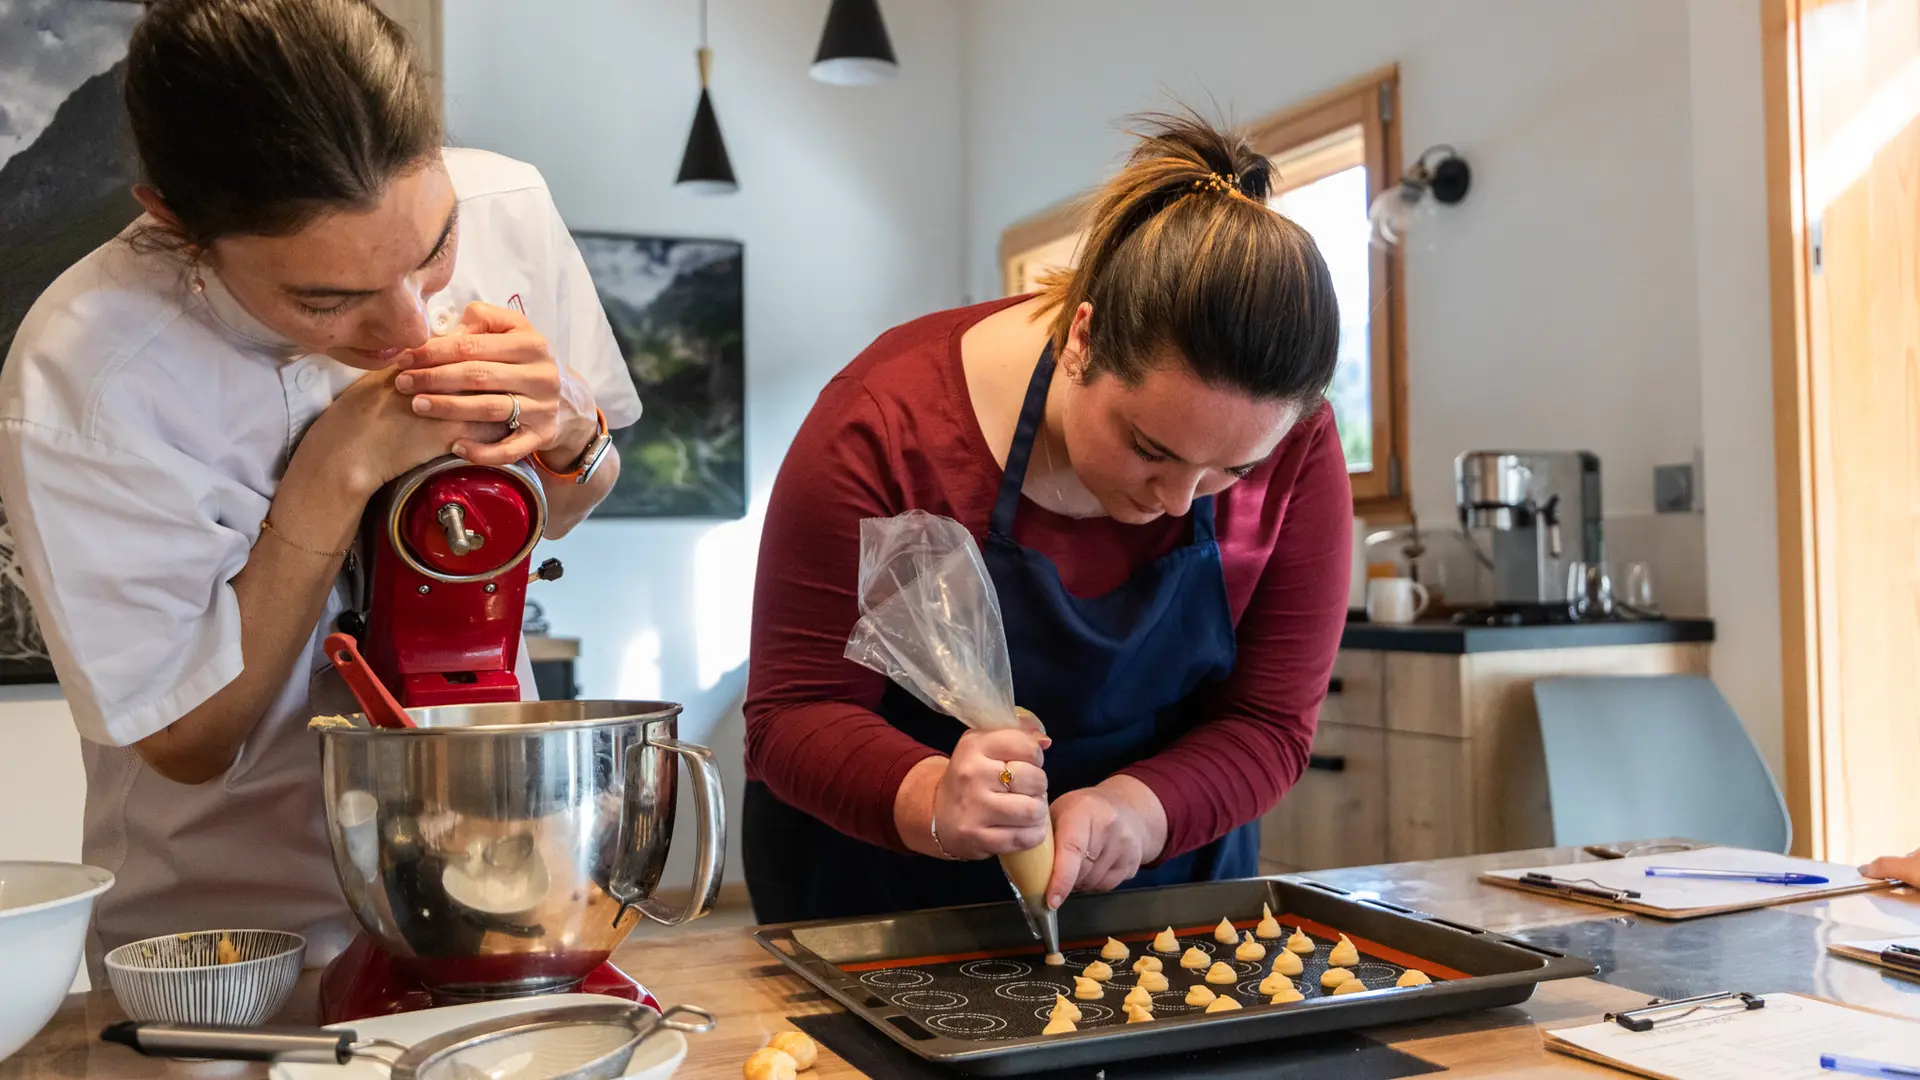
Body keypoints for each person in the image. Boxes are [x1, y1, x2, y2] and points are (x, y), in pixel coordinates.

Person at [0, 0, 639, 974]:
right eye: (325, 300)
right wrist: (333, 474)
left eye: (434, 252)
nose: (412, 330)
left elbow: (558, 509)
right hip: (239, 940)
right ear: (174, 222)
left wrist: (569, 432)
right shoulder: (86, 375)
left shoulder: (511, 204)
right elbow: (190, 743)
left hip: (496, 874)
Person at [742, 114, 1351, 922]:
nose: (1175, 501)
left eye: (1230, 472)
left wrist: (1139, 810)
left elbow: (1267, 724)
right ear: (1083, 338)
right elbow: (792, 716)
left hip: (1155, 882)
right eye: (1149, 448)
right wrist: (931, 794)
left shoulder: (1298, 447)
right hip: (885, 890)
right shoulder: (885, 425)